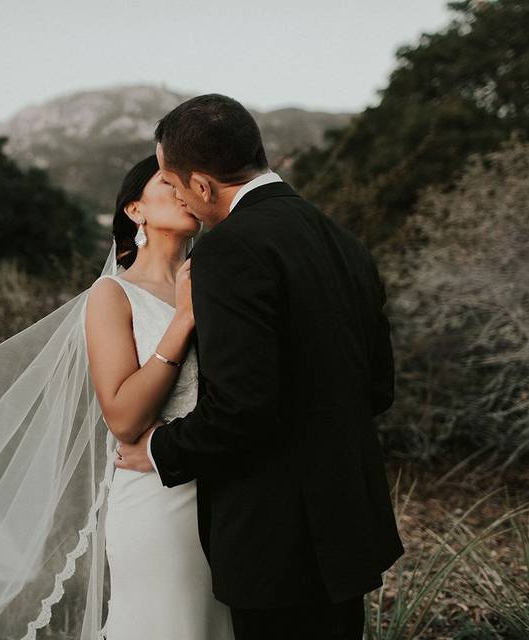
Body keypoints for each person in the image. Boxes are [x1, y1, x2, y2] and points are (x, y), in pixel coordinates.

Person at [115, 94, 405, 640]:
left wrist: (157, 449)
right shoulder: (344, 243)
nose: (181, 199)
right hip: (345, 528)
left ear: (202, 186)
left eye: (177, 186)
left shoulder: (227, 251)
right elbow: (377, 388)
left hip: (275, 539)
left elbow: (241, 410)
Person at [83, 154, 234, 639]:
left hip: (232, 493)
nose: (184, 190)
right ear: (135, 211)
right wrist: (184, 319)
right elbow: (124, 419)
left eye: (189, 181)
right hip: (156, 498)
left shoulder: (224, 285)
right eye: (168, 183)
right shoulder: (112, 294)